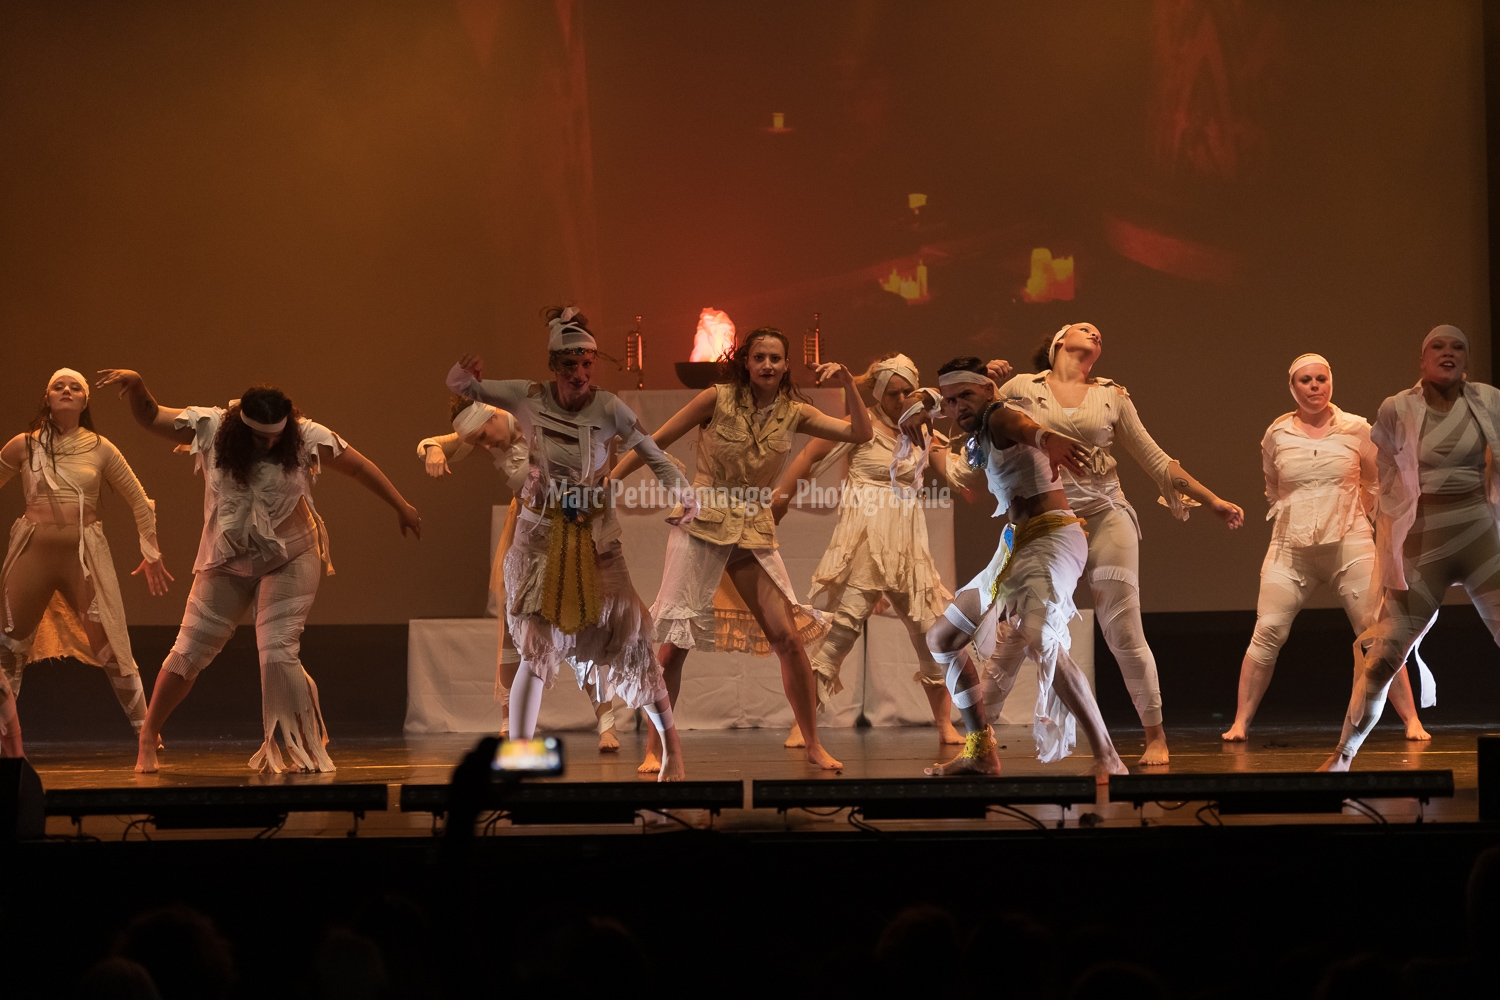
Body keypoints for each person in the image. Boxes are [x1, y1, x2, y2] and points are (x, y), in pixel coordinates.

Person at [97, 370, 422, 773]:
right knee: (188, 652)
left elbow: (357, 467)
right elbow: (151, 417)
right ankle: (148, 735)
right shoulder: (211, 427)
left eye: (275, 437)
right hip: (226, 560)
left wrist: (401, 506)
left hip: (291, 556)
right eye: (259, 438)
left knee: (278, 651)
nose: (269, 444)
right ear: (240, 426)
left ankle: (299, 746)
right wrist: (138, 386)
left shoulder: (304, 436)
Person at [446, 306, 693, 780]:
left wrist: (685, 496)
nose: (579, 375)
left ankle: (672, 749)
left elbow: (653, 454)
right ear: (554, 366)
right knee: (535, 647)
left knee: (633, 640)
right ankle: (520, 757)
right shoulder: (528, 396)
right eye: (569, 366)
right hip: (540, 539)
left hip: (594, 540)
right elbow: (461, 387)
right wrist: (466, 373)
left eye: (586, 365)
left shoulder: (610, 407)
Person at [611, 327, 872, 771]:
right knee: (675, 643)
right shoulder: (717, 398)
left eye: (775, 358)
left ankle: (812, 742)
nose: (767, 365)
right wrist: (612, 479)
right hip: (703, 521)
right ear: (746, 363)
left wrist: (849, 383)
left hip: (752, 526)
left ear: (786, 365)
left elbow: (860, 433)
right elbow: (657, 440)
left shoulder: (794, 411)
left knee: (788, 638)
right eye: (759, 357)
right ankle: (656, 748)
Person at [987, 323, 1244, 764]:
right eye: (1083, 328)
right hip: (1047, 522)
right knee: (1019, 627)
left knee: (1123, 628)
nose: (1095, 332)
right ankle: (979, 733)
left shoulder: (1111, 396)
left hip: (1106, 514)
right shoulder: (1021, 388)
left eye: (1099, 333)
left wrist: (1212, 500)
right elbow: (983, 425)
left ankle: (1156, 737)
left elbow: (1156, 458)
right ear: (1058, 342)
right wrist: (987, 383)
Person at [919, 356, 1127, 781]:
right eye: (950, 401)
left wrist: (1047, 438)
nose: (957, 407)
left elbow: (1022, 426)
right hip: (1015, 544)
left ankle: (1108, 756)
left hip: (1051, 538)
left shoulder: (998, 416)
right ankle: (980, 751)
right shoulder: (978, 421)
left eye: (965, 396)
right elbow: (930, 407)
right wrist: (930, 406)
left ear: (987, 392)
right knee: (942, 638)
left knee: (1041, 639)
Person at [1223, 354, 1428, 742]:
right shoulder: (1277, 433)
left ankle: (1411, 721)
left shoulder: (1356, 428)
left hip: (1349, 543)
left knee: (1376, 631)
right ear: (1292, 387)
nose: (1314, 386)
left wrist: (1355, 516)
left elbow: (1375, 480)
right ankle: (1240, 723)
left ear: (1331, 382)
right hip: (1290, 547)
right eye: (1305, 380)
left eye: (1321, 378)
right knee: (1267, 630)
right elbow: (1273, 487)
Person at [1323, 325, 1500, 770]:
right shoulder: (1397, 408)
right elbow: (1385, 476)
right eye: (1437, 346)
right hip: (1425, 544)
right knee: (1383, 657)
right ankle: (1343, 755)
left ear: (1467, 359)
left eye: (1457, 347)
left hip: (1480, 536)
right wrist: (1391, 537)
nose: (1447, 353)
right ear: (1422, 360)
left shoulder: (1490, 401)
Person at [771, 352, 963, 744]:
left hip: (907, 548)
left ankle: (945, 723)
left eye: (908, 392)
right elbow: (808, 456)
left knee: (928, 633)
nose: (900, 399)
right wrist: (780, 502)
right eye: (892, 393)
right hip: (865, 543)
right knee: (841, 632)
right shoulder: (859, 427)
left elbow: (956, 473)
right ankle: (802, 725)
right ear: (878, 393)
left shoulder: (923, 431)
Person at [419, 397, 626, 751]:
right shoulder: (482, 436)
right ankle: (508, 723)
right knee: (515, 629)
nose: (486, 445)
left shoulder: (537, 422)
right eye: (478, 441)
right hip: (526, 536)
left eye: (484, 436)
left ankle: (606, 722)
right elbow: (432, 443)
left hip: (567, 528)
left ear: (493, 415)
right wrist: (432, 450)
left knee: (580, 622)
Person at [0, 368, 171, 757]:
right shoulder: (25, 445)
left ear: (84, 401)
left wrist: (151, 553)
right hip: (33, 552)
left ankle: (146, 731)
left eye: (74, 387)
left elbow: (139, 501)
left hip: (83, 556)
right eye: (58, 386)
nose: (66, 390)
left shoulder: (100, 448)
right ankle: (5, 736)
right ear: (47, 398)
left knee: (110, 644)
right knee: (8, 645)